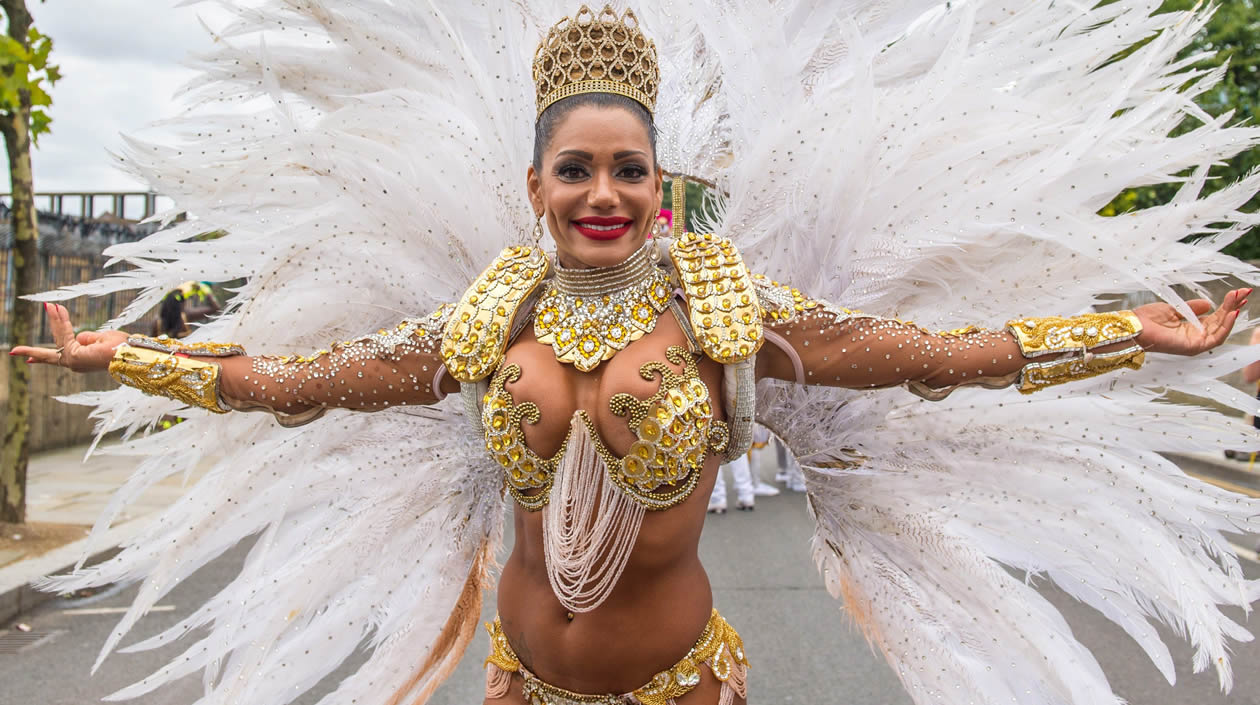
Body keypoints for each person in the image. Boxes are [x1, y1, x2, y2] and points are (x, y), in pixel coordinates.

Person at [11, 4, 1260, 705]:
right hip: (515, 679)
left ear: (662, 187)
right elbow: (302, 386)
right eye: (577, 170)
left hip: (677, 688)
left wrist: (1128, 335)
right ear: (536, 186)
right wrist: (131, 361)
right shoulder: (486, 316)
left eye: (629, 170)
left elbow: (941, 355)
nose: (602, 192)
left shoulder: (730, 311)